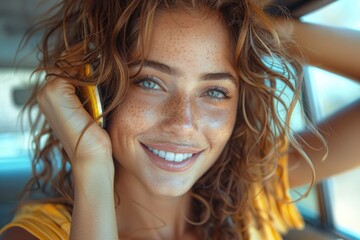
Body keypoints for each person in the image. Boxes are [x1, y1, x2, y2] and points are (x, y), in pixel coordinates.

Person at [0, 0, 359, 239]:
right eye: (150, 83)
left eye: (215, 92)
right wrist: (91, 163)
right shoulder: (37, 234)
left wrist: (273, 31)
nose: (183, 123)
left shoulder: (252, 197)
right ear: (95, 93)